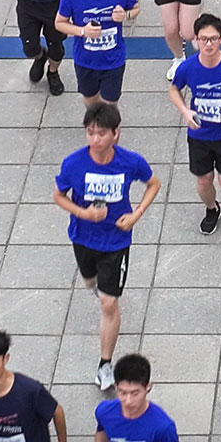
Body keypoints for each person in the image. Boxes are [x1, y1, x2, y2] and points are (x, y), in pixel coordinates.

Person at [53, 101, 160, 391]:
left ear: (116, 133)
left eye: (101, 133)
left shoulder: (130, 162)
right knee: (90, 282)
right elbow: (58, 196)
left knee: (108, 302)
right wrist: (83, 213)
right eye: (90, 133)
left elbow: (153, 183)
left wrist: (136, 214)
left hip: (116, 241)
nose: (95, 139)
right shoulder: (74, 163)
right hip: (83, 237)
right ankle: (97, 284)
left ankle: (104, 364)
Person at [167, 12, 221, 233]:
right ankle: (212, 209)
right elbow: (174, 89)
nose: (209, 44)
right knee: (204, 180)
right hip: (199, 135)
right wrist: (185, 112)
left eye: (213, 39)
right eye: (203, 39)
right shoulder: (188, 67)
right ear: (196, 39)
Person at [56, 0, 138, 107]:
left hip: (113, 60)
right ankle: (93, 122)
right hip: (85, 61)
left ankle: (108, 124)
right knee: (91, 100)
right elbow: (59, 23)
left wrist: (126, 15)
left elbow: (135, 8)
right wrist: (82, 31)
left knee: (110, 104)